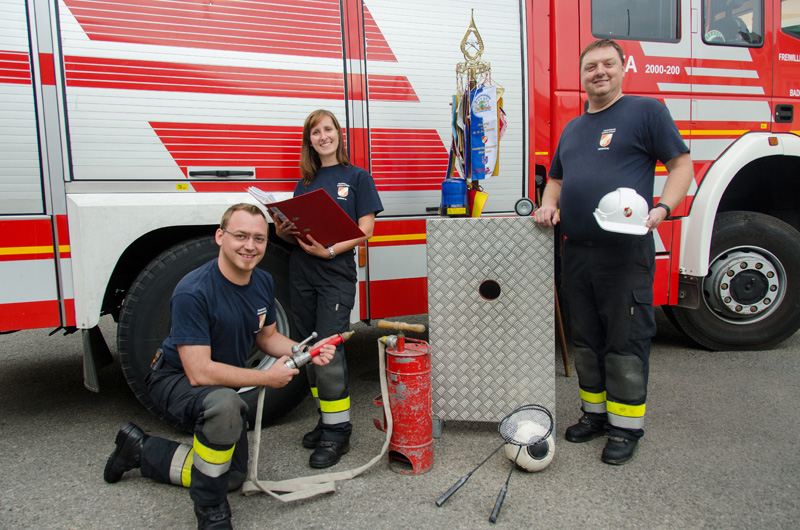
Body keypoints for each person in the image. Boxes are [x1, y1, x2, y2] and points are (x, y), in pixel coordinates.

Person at [103, 203, 338, 530]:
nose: (250, 246)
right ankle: (211, 510)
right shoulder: (193, 291)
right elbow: (200, 372)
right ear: (220, 236)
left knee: (231, 475)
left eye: (258, 238)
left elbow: (267, 337)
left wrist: (306, 349)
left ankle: (141, 451)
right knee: (225, 405)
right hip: (175, 379)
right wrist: (266, 377)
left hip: (216, 383)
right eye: (240, 235)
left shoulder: (263, 282)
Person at [533, 39, 694, 465]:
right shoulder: (573, 128)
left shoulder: (646, 112)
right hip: (577, 252)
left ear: (624, 68)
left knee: (625, 340)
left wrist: (662, 207)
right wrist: (550, 203)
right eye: (590, 66)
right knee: (585, 339)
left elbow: (681, 165)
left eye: (607, 64)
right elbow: (556, 179)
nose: (599, 72)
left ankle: (625, 428)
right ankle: (595, 414)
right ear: (581, 75)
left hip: (624, 253)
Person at [271, 109, 383, 469]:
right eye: (315, 132)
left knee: (328, 351)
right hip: (301, 271)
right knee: (306, 348)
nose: (323, 136)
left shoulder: (358, 177)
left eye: (328, 129)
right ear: (310, 141)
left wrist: (331, 249)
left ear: (339, 134)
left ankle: (339, 433)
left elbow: (366, 230)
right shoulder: (304, 183)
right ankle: (326, 420)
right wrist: (282, 229)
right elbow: (286, 232)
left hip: (334, 272)